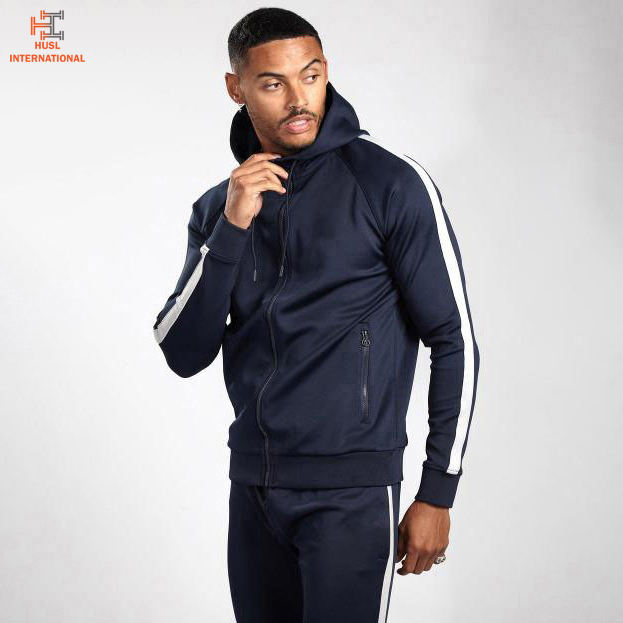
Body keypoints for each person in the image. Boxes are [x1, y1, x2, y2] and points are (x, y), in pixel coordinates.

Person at [152, 7, 480, 622]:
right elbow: (182, 352)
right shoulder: (218, 208)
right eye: (272, 83)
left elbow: (452, 337)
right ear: (236, 89)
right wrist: (231, 229)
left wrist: (438, 490)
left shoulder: (390, 184)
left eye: (310, 75)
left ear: (326, 70)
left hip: (352, 493)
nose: (298, 99)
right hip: (254, 491)